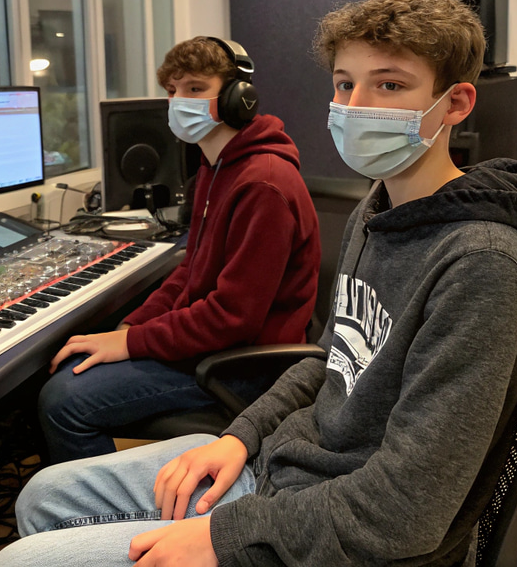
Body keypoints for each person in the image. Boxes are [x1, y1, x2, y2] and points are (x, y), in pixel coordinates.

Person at [0, 0, 517, 567]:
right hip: (289, 470)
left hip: (344, 534)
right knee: (44, 495)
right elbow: (332, 356)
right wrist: (242, 434)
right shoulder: (380, 206)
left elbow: (403, 514)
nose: (355, 105)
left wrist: (222, 534)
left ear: (456, 103)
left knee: (17, 562)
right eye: (344, 83)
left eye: (389, 84)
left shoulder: (481, 263)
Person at [37, 36, 321, 464]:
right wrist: (127, 329)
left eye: (193, 88)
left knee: (64, 400)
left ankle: (109, 513)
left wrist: (133, 343)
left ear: (236, 98)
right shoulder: (215, 167)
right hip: (214, 348)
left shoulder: (263, 183)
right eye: (171, 90)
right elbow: (190, 272)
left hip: (243, 368)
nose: (178, 101)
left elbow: (233, 317)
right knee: (74, 364)